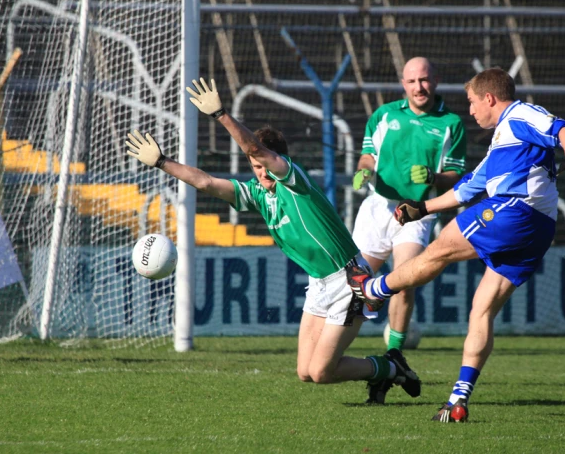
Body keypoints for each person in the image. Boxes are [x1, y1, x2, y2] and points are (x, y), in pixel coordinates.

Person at [125, 77, 421, 397]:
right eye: (255, 167)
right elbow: (207, 183)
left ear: (277, 161)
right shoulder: (257, 193)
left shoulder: (294, 181)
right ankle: (382, 371)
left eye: (264, 165)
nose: (261, 173)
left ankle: (392, 369)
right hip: (320, 283)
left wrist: (221, 114)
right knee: (305, 372)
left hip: (350, 280)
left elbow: (255, 148)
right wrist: (161, 162)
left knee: (321, 372)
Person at [352, 68, 565, 422]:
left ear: (489, 98)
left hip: (514, 211)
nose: (471, 109)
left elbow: (562, 128)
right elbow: (466, 190)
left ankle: (372, 287)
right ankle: (457, 401)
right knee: (481, 310)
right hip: (537, 229)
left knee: (437, 251)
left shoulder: (519, 115)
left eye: (472, 102)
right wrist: (422, 208)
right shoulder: (500, 145)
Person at [351, 57, 467, 404]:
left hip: (416, 212)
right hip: (376, 208)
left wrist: (434, 178)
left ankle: (394, 355)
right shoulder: (384, 115)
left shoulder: (451, 123)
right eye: (412, 81)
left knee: (404, 279)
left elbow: (455, 174)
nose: (419, 87)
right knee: (353, 285)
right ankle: (344, 357)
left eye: (425, 80)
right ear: (403, 83)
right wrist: (364, 172)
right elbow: (367, 155)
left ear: (436, 80)